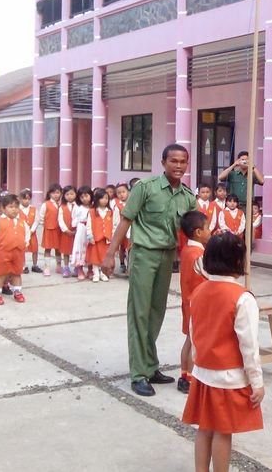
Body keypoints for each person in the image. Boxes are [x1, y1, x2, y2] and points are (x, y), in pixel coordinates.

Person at [103, 144, 196, 397]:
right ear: (163, 162)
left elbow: (196, 228)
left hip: (168, 257)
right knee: (139, 312)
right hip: (144, 254)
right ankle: (138, 374)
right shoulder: (146, 188)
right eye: (173, 161)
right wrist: (110, 254)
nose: (178, 166)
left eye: (183, 161)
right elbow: (126, 219)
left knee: (156, 312)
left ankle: (150, 365)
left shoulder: (188, 197)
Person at [182, 232, 264, 472]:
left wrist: (199, 362)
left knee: (204, 428)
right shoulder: (242, 298)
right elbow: (249, 346)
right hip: (228, 377)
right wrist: (257, 381)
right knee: (222, 432)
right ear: (239, 262)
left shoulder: (198, 292)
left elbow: (194, 332)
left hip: (203, 372)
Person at [178, 210, 211, 394]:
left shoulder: (187, 250)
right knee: (194, 341)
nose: (210, 231)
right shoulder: (197, 254)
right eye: (207, 228)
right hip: (196, 303)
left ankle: (184, 375)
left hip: (188, 300)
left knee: (189, 340)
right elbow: (209, 274)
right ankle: (190, 377)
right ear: (198, 232)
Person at [0, 194, 30, 305]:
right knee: (0, 274)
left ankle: (17, 292)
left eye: (16, 207)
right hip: (3, 252)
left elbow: (27, 233)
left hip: (18, 252)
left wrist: (25, 242)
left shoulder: (22, 221)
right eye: (11, 207)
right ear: (3, 209)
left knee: (17, 273)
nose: (14, 209)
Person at [87, 188, 117, 283]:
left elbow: (115, 225)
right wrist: (90, 236)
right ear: (97, 199)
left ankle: (103, 273)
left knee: (105, 257)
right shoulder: (92, 211)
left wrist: (113, 236)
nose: (105, 200)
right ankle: (95, 273)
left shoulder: (111, 212)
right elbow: (89, 224)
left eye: (106, 198)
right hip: (96, 239)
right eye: (102, 198)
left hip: (107, 239)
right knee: (95, 257)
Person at [38, 183, 63, 277]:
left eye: (57, 192)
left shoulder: (62, 204)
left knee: (58, 249)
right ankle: (47, 267)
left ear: (61, 193)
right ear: (49, 194)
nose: (55, 195)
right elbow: (41, 217)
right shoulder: (46, 204)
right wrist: (45, 225)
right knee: (48, 249)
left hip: (59, 230)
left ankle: (59, 265)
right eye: (53, 193)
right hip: (49, 229)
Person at [70, 186, 93, 280]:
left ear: (91, 195)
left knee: (90, 248)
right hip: (81, 229)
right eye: (82, 197)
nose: (84, 199)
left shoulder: (94, 206)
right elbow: (74, 218)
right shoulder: (78, 207)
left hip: (91, 229)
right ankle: (79, 269)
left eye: (86, 196)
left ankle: (90, 269)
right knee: (80, 247)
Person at [19, 189, 42, 274]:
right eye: (24, 199)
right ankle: (23, 266)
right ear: (20, 199)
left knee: (35, 249)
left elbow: (37, 220)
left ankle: (34, 265)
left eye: (28, 199)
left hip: (32, 233)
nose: (26, 201)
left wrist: (32, 230)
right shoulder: (18, 209)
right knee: (22, 249)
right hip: (22, 233)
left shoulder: (34, 209)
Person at [58, 185, 77, 278]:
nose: (70, 196)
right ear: (64, 196)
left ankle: (77, 267)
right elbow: (60, 220)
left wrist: (76, 230)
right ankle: (66, 267)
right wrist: (66, 230)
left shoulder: (78, 206)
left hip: (77, 233)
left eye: (72, 194)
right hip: (66, 233)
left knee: (76, 250)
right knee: (66, 251)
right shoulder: (62, 207)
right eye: (67, 194)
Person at [115, 183, 131, 273]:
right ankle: (122, 263)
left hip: (131, 230)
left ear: (128, 192)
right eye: (119, 193)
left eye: (123, 192)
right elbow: (116, 221)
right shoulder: (117, 206)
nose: (121, 194)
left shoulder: (132, 203)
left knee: (130, 248)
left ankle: (130, 266)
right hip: (122, 230)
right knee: (122, 248)